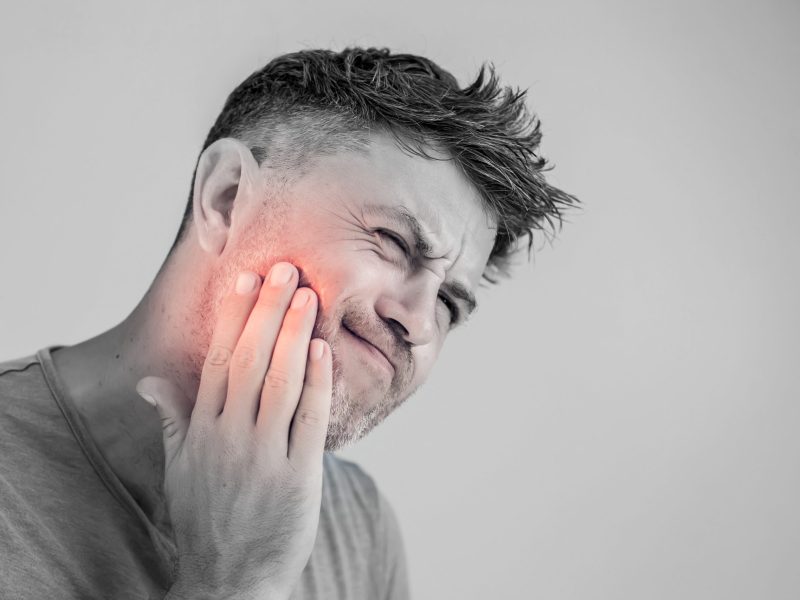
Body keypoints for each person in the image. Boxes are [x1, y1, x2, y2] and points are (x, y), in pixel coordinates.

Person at [0, 47, 577, 599]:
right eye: (394, 242)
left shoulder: (360, 529)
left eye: (450, 303)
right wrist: (234, 585)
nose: (420, 324)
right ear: (226, 199)